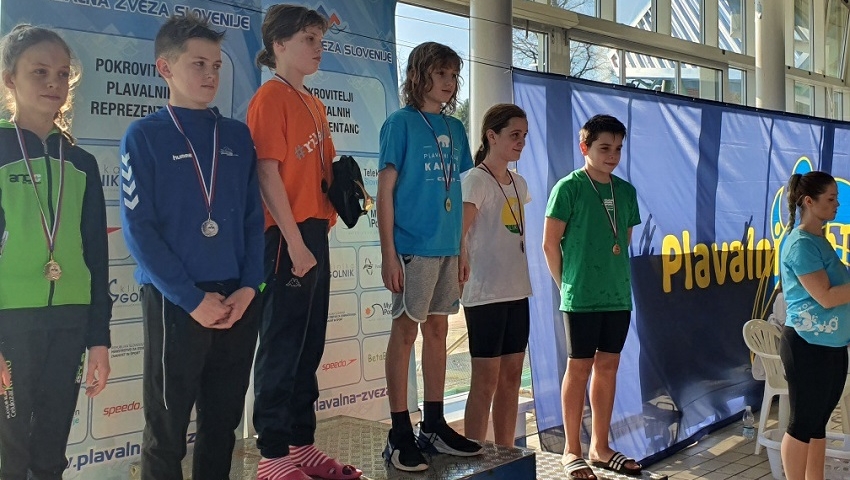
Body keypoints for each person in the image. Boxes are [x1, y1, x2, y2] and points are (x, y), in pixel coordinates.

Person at [119, 14, 264, 480]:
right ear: (165, 68)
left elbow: (253, 220)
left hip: (237, 300)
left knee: (221, 427)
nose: (210, 74)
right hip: (175, 300)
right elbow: (139, 229)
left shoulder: (238, 136)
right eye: (198, 63)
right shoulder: (144, 136)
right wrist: (191, 299)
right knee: (166, 431)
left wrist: (250, 288)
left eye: (217, 65)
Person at [247, 5, 362, 480]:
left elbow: (323, 171)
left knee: (309, 344)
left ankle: (301, 444)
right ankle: (272, 455)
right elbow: (266, 172)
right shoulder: (269, 98)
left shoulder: (313, 102)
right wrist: (295, 243)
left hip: (314, 231)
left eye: (320, 40)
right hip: (284, 234)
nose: (319, 48)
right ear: (279, 45)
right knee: (281, 342)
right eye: (308, 40)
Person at [0, 24, 111, 480]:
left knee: (51, 452)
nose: (53, 83)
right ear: (9, 79)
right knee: (7, 455)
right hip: (9, 322)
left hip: (69, 319)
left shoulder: (81, 162)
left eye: (63, 74)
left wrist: (99, 338)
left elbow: (97, 255)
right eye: (39, 72)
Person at [378, 41, 483, 472]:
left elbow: (454, 191)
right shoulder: (399, 123)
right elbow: (385, 192)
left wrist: (462, 248)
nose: (449, 82)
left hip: (446, 246)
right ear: (418, 75)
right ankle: (399, 430)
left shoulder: (455, 129)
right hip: (412, 247)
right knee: (405, 332)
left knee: (438, 331)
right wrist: (388, 254)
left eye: (454, 75)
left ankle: (434, 425)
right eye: (441, 73)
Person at [542, 114, 642, 480]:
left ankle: (600, 446)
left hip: (617, 295)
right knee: (579, 367)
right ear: (584, 147)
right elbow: (549, 244)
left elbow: (623, 241)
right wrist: (566, 286)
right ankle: (572, 449)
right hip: (580, 296)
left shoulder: (626, 191)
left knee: (609, 366)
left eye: (618, 149)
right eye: (604, 148)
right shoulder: (568, 188)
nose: (612, 156)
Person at [460, 103, 532, 447]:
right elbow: (458, 235)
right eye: (514, 135)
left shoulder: (519, 182)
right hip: (485, 294)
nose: (521, 142)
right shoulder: (475, 180)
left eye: (524, 136)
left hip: (517, 291)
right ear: (492, 136)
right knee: (485, 380)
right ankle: (472, 455)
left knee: (512, 377)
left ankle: (506, 452)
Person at [779, 171, 850, 480]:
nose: (837, 204)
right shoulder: (800, 245)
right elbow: (826, 296)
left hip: (832, 345)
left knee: (818, 423)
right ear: (809, 201)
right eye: (831, 198)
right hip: (807, 345)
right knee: (802, 424)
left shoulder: (820, 240)